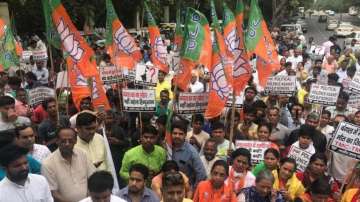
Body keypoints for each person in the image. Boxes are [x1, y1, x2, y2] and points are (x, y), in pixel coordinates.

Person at [41, 127, 96, 202]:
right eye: (63, 141)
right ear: (57, 141)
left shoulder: (83, 154)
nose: (67, 144)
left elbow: (93, 179)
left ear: (76, 141)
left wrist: (88, 199)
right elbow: (53, 193)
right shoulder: (47, 164)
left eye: (70, 141)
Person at [170, 121, 207, 188]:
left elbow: (201, 174)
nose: (177, 136)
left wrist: (194, 190)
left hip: (186, 190)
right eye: (175, 133)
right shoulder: (167, 147)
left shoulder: (191, 152)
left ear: (185, 135)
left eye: (180, 134)